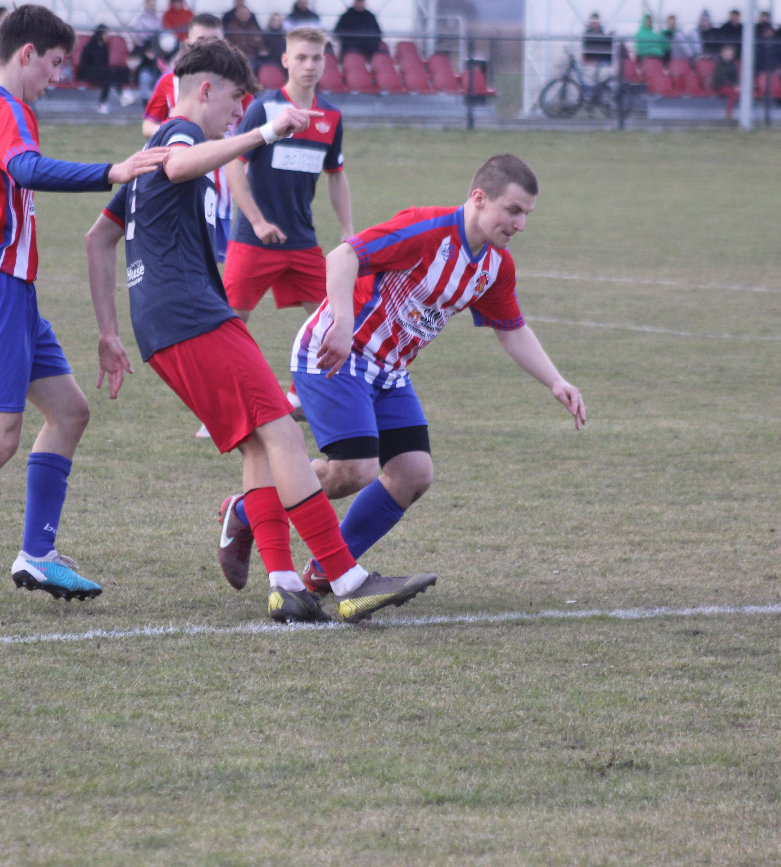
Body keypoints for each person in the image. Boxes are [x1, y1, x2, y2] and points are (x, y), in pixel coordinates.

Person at [85, 38, 437, 625]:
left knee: (259, 440)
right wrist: (264, 133)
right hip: (191, 315)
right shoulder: (180, 138)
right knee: (285, 437)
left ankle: (282, 585)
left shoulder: (149, 153)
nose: (236, 112)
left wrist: (108, 331)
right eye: (233, 102)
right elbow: (179, 164)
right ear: (205, 91)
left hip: (168, 322)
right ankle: (346, 577)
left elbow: (97, 238)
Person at [217, 154, 585, 615]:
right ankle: (250, 510)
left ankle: (322, 570)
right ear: (478, 198)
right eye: (513, 210)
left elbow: (510, 327)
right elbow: (343, 255)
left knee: (413, 474)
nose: (520, 224)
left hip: (389, 373)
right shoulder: (426, 229)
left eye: (527, 214)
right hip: (336, 357)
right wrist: (344, 322)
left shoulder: (494, 266)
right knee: (357, 469)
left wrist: (555, 380)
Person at [0, 5, 170, 613]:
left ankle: (37, 554)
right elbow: (24, 167)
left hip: (3, 287)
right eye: (52, 64)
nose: (55, 77)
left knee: (70, 412)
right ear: (25, 54)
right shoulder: (6, 110)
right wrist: (112, 172)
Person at [221, 26, 351, 331]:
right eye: (301, 57)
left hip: (302, 241)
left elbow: (336, 176)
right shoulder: (263, 109)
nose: (309, 65)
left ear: (324, 63)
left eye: (316, 58)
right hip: (254, 240)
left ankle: (318, 380)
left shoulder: (332, 117)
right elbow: (232, 165)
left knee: (333, 326)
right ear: (285, 60)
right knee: (228, 325)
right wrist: (257, 221)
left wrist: (348, 230)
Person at [142, 14, 250, 262]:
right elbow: (149, 124)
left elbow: (244, 133)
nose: (209, 46)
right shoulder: (171, 84)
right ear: (187, 43)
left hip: (222, 188)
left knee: (218, 266)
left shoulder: (236, 88)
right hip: (179, 174)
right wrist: (175, 139)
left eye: (215, 41)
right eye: (202, 40)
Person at [76, 25, 130, 113]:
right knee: (108, 75)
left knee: (112, 74)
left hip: (102, 72)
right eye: (106, 33)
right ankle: (121, 95)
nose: (107, 36)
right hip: (88, 72)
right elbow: (86, 63)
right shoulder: (90, 46)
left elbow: (105, 62)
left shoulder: (105, 46)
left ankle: (104, 103)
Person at [223, 0, 267, 67]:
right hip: (236, 57)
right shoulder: (231, 27)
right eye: (242, 13)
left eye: (246, 13)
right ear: (236, 14)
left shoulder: (253, 27)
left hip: (253, 57)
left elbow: (259, 40)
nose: (244, 15)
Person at [711, 42, 739, 118]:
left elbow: (735, 77)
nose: (728, 56)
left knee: (737, 91)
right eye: (726, 54)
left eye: (730, 54)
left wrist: (736, 85)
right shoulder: (719, 65)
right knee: (732, 92)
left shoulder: (733, 65)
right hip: (720, 86)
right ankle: (728, 113)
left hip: (730, 85)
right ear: (722, 54)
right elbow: (721, 78)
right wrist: (732, 85)